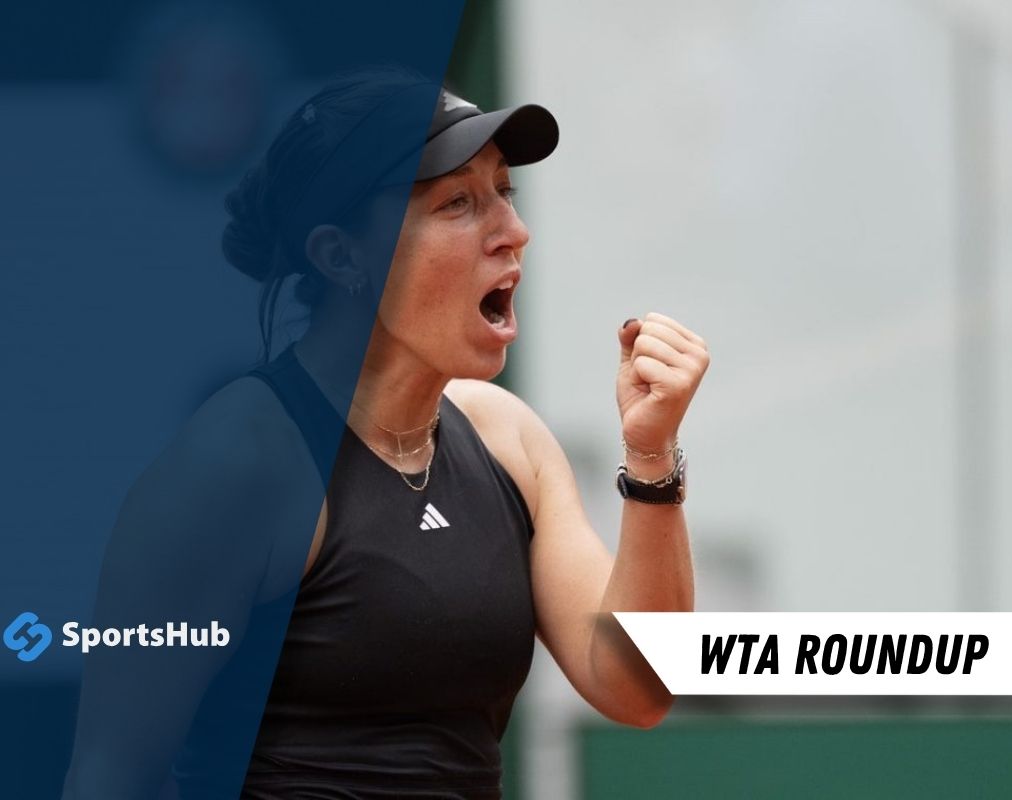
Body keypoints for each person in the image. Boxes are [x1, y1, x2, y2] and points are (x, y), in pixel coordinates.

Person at [62, 65, 709, 799]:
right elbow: (112, 772)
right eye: (459, 202)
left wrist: (651, 454)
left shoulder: (508, 439)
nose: (514, 231)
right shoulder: (236, 465)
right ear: (341, 256)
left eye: (505, 190)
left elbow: (638, 687)